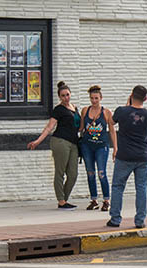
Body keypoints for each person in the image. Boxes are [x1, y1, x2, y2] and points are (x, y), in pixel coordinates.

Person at [107, 85, 147, 229]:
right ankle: (140, 220)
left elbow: (111, 122)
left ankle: (115, 219)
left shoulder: (121, 111)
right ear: (145, 98)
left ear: (131, 95)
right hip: (143, 156)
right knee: (141, 188)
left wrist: (127, 106)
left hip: (124, 155)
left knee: (118, 186)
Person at [27, 81, 81, 209]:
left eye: (67, 95)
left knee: (73, 174)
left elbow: (79, 126)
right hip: (60, 141)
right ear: (59, 97)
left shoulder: (75, 108)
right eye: (63, 96)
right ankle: (61, 201)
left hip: (74, 143)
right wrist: (38, 141)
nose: (66, 98)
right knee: (60, 171)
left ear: (70, 94)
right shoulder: (58, 110)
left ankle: (64, 199)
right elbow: (49, 127)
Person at [80, 85, 117, 212]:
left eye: (96, 98)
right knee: (90, 173)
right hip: (87, 145)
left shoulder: (106, 112)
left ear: (101, 98)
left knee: (102, 173)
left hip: (101, 146)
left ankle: (106, 200)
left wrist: (115, 148)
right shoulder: (85, 110)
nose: (94, 101)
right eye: (92, 98)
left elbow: (112, 131)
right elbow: (81, 128)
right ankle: (94, 200)